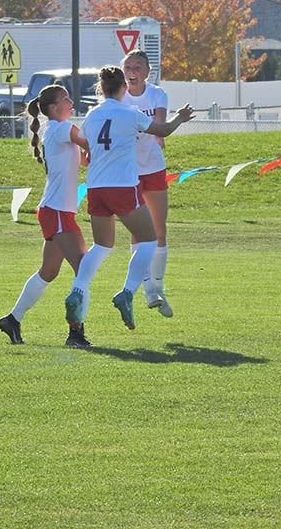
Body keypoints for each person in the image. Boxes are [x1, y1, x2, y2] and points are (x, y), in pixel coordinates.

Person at [64, 66, 194, 333]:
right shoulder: (129, 112)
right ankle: (127, 292)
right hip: (122, 185)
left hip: (96, 186)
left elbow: (85, 149)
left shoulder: (92, 114)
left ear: (101, 88)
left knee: (101, 246)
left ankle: (78, 289)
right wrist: (180, 118)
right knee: (148, 239)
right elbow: (164, 130)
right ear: (124, 87)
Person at [0, 85, 91, 348]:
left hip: (54, 210)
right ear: (53, 108)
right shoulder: (62, 128)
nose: (71, 102)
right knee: (84, 268)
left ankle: (12, 320)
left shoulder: (57, 130)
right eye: (65, 99)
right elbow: (92, 141)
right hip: (58, 211)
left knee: (48, 272)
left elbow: (85, 158)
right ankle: (75, 334)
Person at [122, 49, 173, 317]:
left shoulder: (157, 93)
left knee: (159, 228)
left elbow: (159, 123)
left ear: (147, 72)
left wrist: (156, 129)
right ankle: (147, 290)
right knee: (139, 231)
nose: (132, 71)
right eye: (128, 67)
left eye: (138, 67)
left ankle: (160, 287)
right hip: (129, 169)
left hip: (153, 167)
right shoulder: (119, 96)